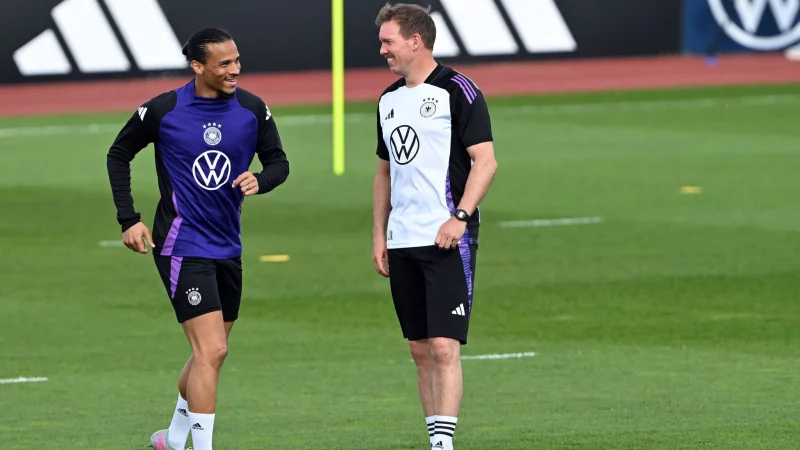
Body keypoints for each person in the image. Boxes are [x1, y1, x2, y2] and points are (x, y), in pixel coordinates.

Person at [105, 27, 289, 450]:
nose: (235, 70)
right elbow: (118, 154)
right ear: (198, 66)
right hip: (180, 245)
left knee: (212, 352)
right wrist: (128, 219)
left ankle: (170, 438)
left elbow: (279, 161)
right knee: (213, 351)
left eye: (237, 60)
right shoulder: (165, 109)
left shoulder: (251, 109)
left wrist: (261, 180)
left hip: (228, 244)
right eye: (224, 63)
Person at [371, 3, 498, 450]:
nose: (382, 49)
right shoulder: (388, 100)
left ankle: (443, 447)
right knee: (419, 348)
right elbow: (384, 173)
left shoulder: (458, 90)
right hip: (402, 238)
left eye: (388, 41)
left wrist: (460, 217)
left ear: (415, 40)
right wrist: (378, 235)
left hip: (446, 238)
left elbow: (486, 161)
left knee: (445, 348)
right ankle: (435, 442)